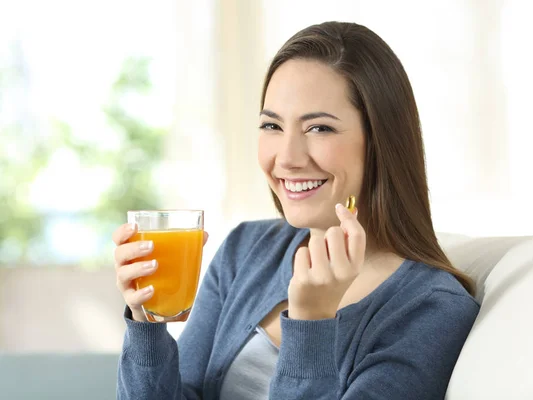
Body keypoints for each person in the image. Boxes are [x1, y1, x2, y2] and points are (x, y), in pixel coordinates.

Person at [113, 21, 479, 400]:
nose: (286, 158)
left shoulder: (431, 310)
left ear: (380, 141)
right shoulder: (246, 250)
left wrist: (312, 324)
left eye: (319, 128)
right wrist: (146, 325)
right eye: (272, 125)